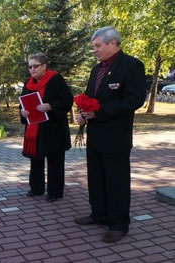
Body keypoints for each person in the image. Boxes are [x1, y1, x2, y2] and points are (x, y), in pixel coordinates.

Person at [74, 26, 146, 243]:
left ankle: (118, 224)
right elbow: (89, 96)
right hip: (95, 135)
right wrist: (83, 114)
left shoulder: (132, 66)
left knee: (117, 182)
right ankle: (99, 214)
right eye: (94, 46)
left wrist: (100, 112)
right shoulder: (97, 70)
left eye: (98, 46)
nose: (95, 50)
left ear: (113, 43)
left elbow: (134, 101)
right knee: (95, 178)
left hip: (116, 137)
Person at [20, 52, 73, 202]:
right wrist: (22, 111)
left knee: (54, 160)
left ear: (44, 66)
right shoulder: (28, 83)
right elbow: (22, 103)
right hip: (34, 128)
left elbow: (67, 100)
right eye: (30, 67)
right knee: (36, 159)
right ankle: (36, 189)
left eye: (35, 66)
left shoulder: (55, 79)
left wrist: (50, 106)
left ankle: (54, 192)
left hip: (53, 128)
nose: (32, 69)